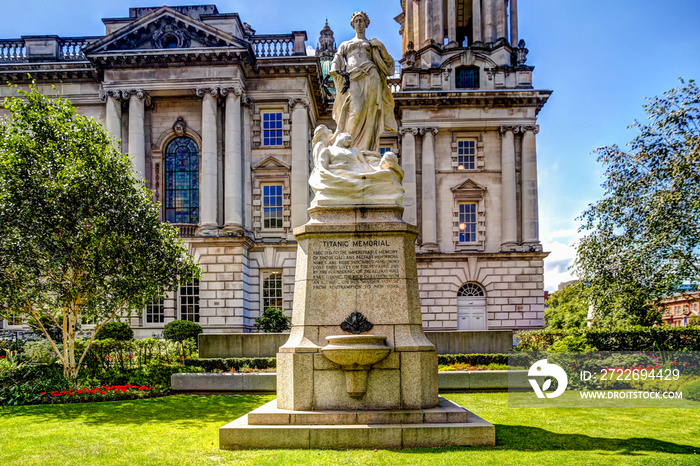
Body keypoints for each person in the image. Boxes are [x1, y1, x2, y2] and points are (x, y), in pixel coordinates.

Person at [330, 11, 398, 153]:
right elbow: (337, 58)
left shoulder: (372, 44)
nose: (359, 24)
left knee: (370, 111)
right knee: (356, 109)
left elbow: (388, 64)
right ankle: (347, 146)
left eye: (361, 20)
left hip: (371, 76)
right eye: (356, 21)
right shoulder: (346, 44)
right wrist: (334, 69)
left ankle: (365, 149)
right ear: (353, 24)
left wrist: (382, 47)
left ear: (366, 23)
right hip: (353, 77)